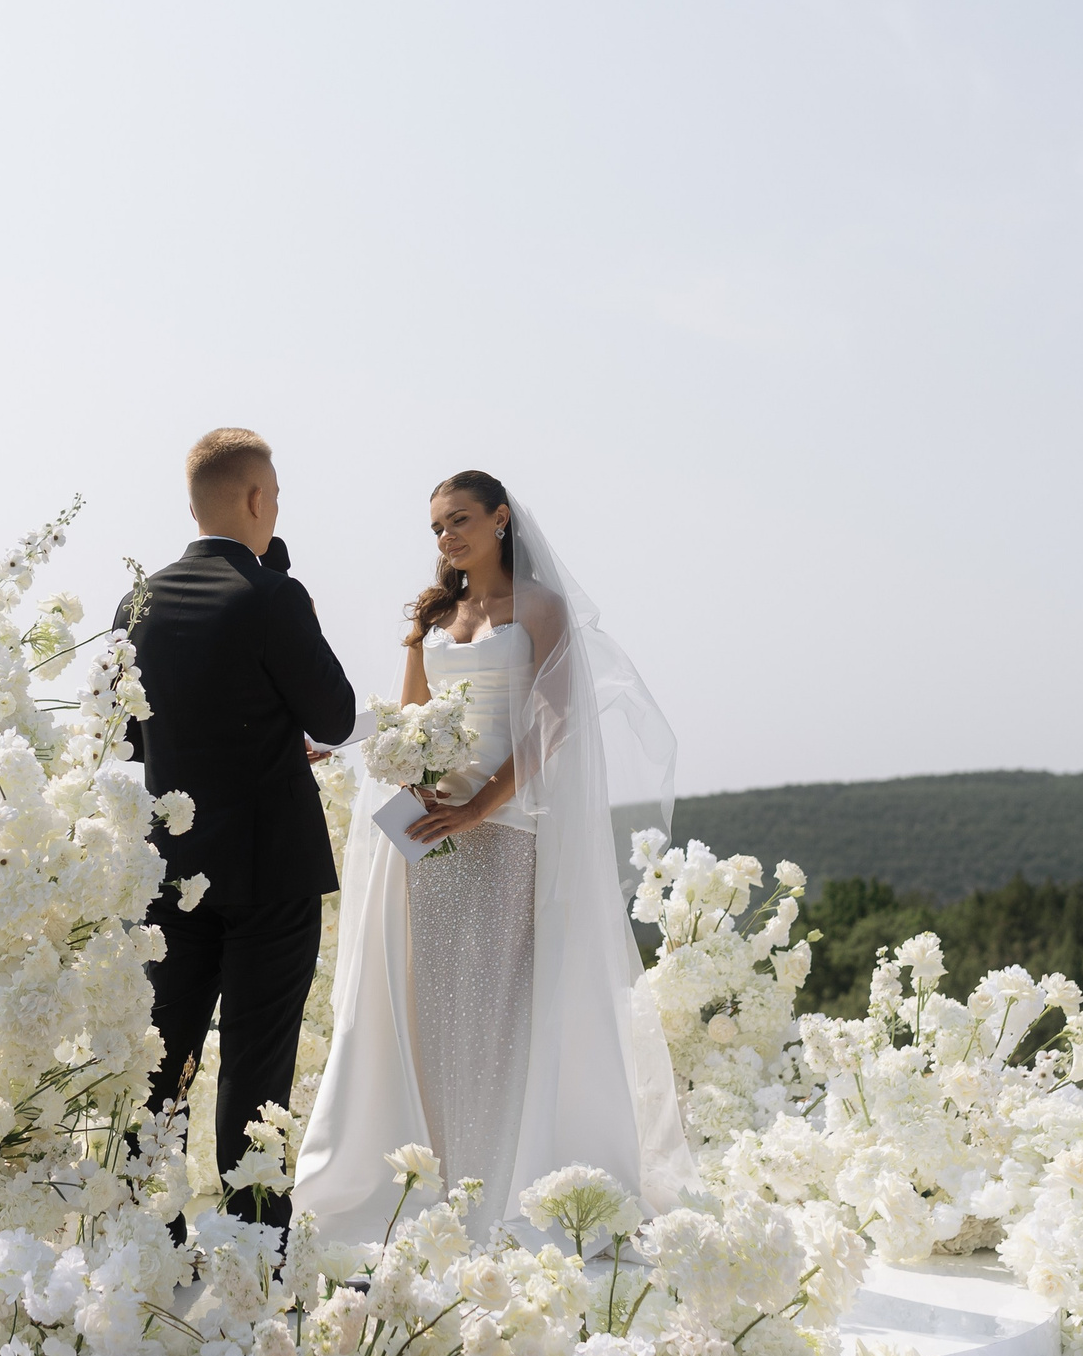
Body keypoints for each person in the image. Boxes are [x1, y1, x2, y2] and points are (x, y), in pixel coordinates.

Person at [291, 470, 694, 1242]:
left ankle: (504, 1182)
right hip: (432, 828)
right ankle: (436, 1181)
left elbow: (554, 725)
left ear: (502, 519)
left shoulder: (541, 610)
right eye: (438, 528)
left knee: (498, 1011)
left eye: (461, 520)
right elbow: (410, 713)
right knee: (431, 1011)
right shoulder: (434, 617)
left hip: (506, 827)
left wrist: (483, 804)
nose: (448, 538)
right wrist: (340, 741)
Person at [118, 429, 355, 1225]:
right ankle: (255, 1246)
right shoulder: (272, 596)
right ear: (257, 499)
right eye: (276, 498)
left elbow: (127, 735)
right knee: (257, 1067)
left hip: (172, 872)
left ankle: (152, 1238)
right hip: (270, 867)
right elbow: (337, 714)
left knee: (162, 1059)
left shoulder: (137, 602)